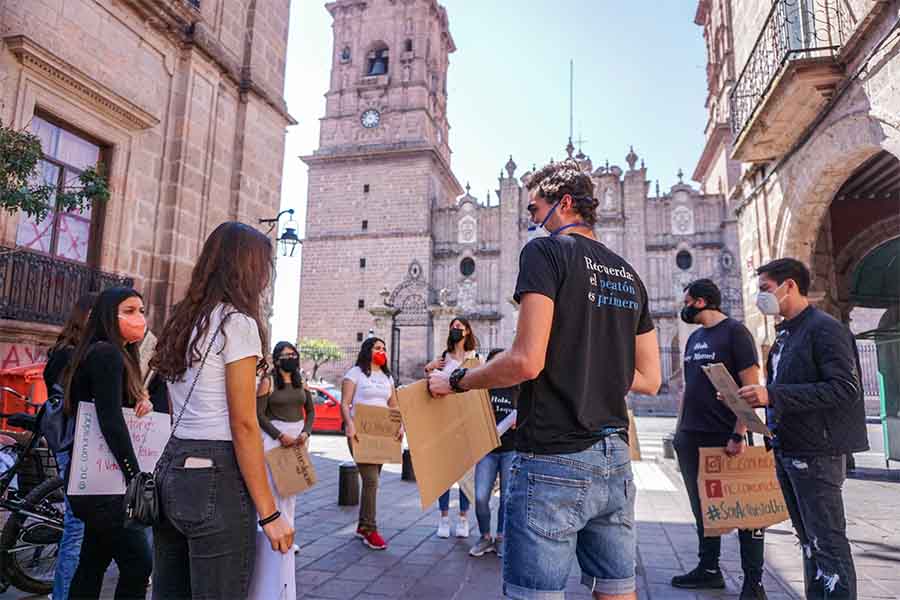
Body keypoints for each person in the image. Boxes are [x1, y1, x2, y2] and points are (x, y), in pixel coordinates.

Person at [430, 158, 660, 600]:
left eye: (535, 210)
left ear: (565, 203)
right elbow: (649, 378)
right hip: (615, 457)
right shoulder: (629, 276)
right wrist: (592, 365)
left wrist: (458, 379)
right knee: (617, 590)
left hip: (555, 455)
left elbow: (525, 362)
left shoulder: (545, 251)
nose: (532, 220)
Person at [149, 222, 294, 599]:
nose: (265, 277)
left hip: (173, 468)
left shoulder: (186, 321)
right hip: (217, 473)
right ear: (245, 268)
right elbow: (244, 424)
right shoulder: (237, 323)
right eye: (263, 266)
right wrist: (271, 513)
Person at [739, 258, 868, 600]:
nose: (760, 297)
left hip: (817, 453)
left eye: (765, 288)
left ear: (790, 286)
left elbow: (845, 388)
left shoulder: (824, 329)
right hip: (789, 448)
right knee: (808, 541)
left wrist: (773, 394)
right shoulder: (786, 335)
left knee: (828, 543)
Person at [671, 279, 767, 600]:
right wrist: (679, 429)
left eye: (687, 302)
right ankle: (709, 570)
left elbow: (750, 385)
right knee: (703, 508)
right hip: (691, 435)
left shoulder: (736, 332)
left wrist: (738, 434)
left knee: (744, 509)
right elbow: (687, 388)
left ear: (700, 302)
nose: (683, 308)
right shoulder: (694, 338)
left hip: (725, 435)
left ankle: (753, 583)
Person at [62, 287, 154, 599]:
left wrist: (143, 401)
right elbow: (110, 421)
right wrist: (135, 475)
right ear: (107, 315)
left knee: (93, 561)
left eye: (141, 310)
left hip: (96, 480)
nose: (139, 318)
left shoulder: (113, 354)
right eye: (129, 311)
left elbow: (116, 410)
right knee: (138, 564)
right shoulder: (106, 354)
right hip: (106, 483)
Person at [249, 341, 316, 600]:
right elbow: (259, 414)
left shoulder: (301, 382)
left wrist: (306, 432)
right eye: (286, 355)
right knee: (273, 487)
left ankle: (289, 530)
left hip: (298, 438)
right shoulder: (268, 382)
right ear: (276, 360)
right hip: (275, 438)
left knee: (292, 489)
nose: (291, 357)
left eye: (293, 354)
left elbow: (310, 410)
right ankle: (269, 530)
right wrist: (279, 435)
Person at [42, 291, 96, 600]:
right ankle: (62, 595)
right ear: (88, 316)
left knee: (78, 528)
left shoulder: (70, 351)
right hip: (74, 443)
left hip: (76, 444)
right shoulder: (70, 354)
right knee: (76, 529)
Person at [341, 337, 401, 550]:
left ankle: (361, 526)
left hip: (381, 434)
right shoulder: (354, 374)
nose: (382, 351)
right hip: (359, 433)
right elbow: (345, 403)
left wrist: (399, 426)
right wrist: (350, 425)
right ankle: (370, 529)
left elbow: (393, 405)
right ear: (368, 350)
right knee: (371, 481)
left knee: (373, 481)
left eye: (384, 348)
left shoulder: (387, 377)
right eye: (377, 348)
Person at [424, 317, 479, 538]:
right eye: (452, 327)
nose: (455, 330)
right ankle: (444, 518)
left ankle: (464, 519)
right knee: (444, 473)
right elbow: (430, 383)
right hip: (444, 420)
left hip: (465, 422)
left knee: (465, 473)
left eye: (459, 327)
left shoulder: (474, 359)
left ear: (467, 331)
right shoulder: (443, 358)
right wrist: (428, 369)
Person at [469, 348, 518, 559]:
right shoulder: (483, 389)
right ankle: (484, 536)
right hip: (486, 450)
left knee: (507, 498)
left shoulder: (518, 388)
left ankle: (501, 538)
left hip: (511, 450)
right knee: (480, 497)